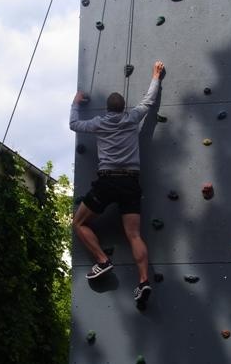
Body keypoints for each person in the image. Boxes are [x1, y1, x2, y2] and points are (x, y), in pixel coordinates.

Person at [70, 60, 164, 309]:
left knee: (78, 223)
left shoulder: (99, 123)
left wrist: (75, 102)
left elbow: (74, 125)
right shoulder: (132, 118)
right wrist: (155, 76)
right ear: (123, 108)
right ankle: (143, 281)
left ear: (107, 109)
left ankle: (102, 261)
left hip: (108, 182)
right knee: (134, 234)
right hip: (130, 181)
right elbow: (149, 101)